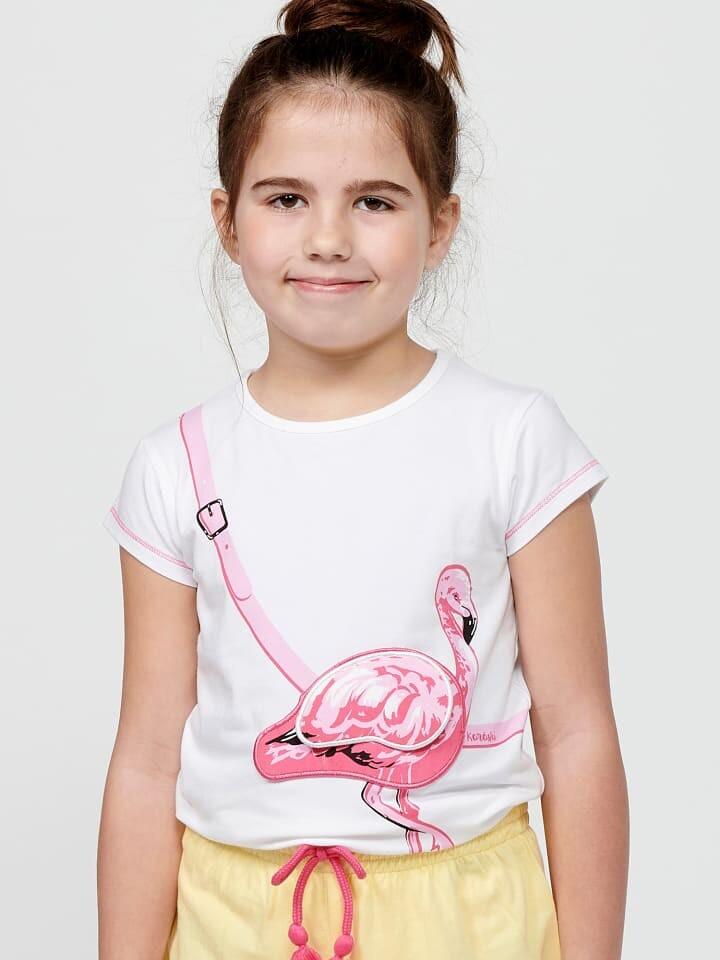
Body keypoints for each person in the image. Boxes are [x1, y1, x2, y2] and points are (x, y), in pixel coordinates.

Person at [97, 1, 629, 958]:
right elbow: (145, 758)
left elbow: (578, 731)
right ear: (227, 221)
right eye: (285, 198)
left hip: (468, 919)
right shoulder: (177, 466)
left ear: (440, 224)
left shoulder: (513, 440)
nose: (329, 238)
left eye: (375, 201)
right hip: (237, 918)